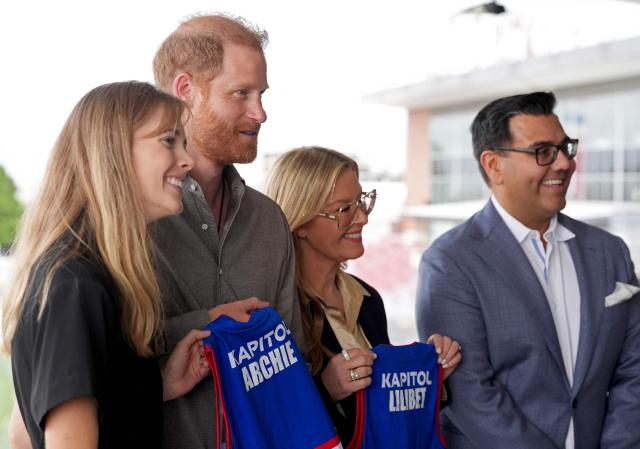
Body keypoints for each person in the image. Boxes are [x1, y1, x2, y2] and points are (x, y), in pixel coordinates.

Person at [0, 81, 252, 449]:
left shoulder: (88, 273)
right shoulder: (75, 284)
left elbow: (22, 433)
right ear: (112, 153)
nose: (188, 160)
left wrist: (155, 385)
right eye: (169, 141)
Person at [416, 91, 640, 449]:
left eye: (566, 148)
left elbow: (634, 371)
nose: (564, 164)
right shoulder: (450, 262)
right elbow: (472, 396)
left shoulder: (609, 252)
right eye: (543, 152)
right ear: (493, 165)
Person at [151, 14, 303, 448]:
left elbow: (290, 362)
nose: (260, 112)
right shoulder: (126, 218)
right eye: (241, 93)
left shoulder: (270, 221)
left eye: (261, 94)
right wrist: (205, 326)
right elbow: (97, 352)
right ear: (186, 92)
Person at [265, 146, 461, 444]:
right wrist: (326, 389)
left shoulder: (368, 297)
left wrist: (428, 374)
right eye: (344, 209)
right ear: (301, 223)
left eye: (361, 202)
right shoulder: (275, 313)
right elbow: (268, 422)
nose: (362, 218)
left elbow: (388, 411)